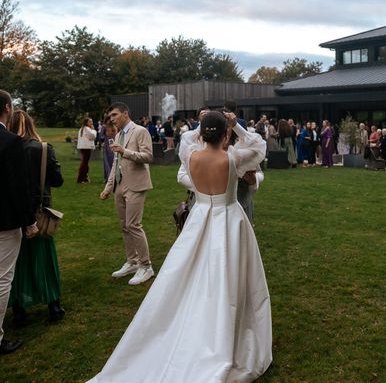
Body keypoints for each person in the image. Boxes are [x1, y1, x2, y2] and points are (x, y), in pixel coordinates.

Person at [89, 110, 271, 382]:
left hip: (199, 219)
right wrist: (238, 129)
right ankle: (224, 328)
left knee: (191, 273)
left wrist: (201, 128)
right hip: (229, 220)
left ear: (201, 134)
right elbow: (258, 146)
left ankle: (197, 318)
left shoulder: (190, 154)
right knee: (229, 275)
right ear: (225, 135)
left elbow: (187, 140)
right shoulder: (232, 158)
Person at [8, 110, 65, 325]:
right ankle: (54, 306)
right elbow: (57, 180)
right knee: (45, 259)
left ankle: (19, 310)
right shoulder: (42, 149)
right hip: (40, 212)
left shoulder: (7, 147)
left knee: (18, 263)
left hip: (15, 215)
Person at [0, 90, 38, 355]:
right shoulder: (10, 142)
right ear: (6, 108)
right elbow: (18, 187)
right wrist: (30, 222)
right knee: (2, 279)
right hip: (4, 220)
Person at [100, 102, 154, 286]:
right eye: (110, 116)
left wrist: (125, 151)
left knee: (133, 225)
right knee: (124, 226)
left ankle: (146, 266)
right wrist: (108, 187)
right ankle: (132, 261)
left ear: (125, 113)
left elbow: (147, 156)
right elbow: (116, 162)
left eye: (114, 115)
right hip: (120, 185)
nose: (112, 119)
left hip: (136, 185)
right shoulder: (118, 134)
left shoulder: (140, 131)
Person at [77, 117, 97, 183]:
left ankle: (84, 177)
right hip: (86, 147)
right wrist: (94, 130)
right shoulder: (87, 129)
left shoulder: (82, 129)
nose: (92, 123)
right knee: (84, 163)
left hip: (83, 147)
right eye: (90, 121)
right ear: (86, 123)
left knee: (85, 163)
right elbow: (92, 136)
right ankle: (81, 178)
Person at [101, 116, 117, 183]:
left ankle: (109, 177)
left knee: (108, 161)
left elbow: (101, 136)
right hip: (111, 145)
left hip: (109, 146)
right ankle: (110, 177)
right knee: (111, 161)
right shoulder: (114, 127)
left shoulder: (106, 127)